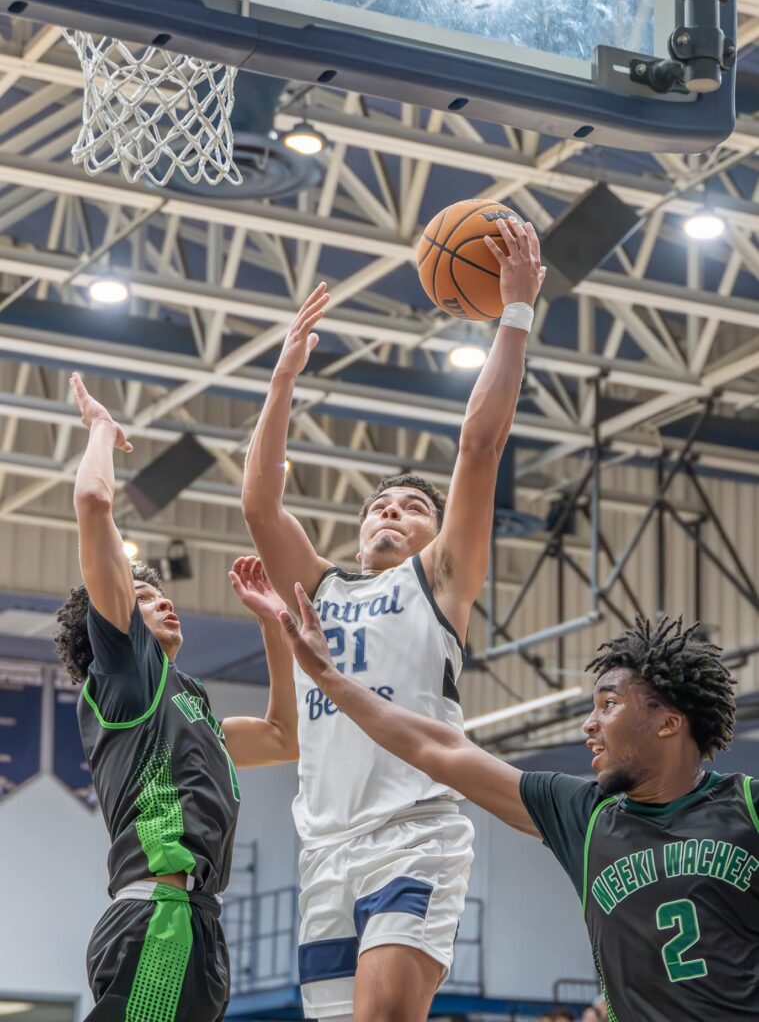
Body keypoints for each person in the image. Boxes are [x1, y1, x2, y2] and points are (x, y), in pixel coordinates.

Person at [242, 217, 545, 1021]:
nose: (390, 511)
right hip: (325, 851)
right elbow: (259, 503)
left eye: (412, 507)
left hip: (413, 830)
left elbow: (478, 447)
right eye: (379, 503)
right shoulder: (318, 589)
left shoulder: (440, 579)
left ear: (432, 533)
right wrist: (282, 381)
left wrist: (513, 312)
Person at [279, 597, 759, 1021]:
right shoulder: (584, 815)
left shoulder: (748, 807)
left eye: (608, 705)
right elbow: (442, 750)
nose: (589, 725)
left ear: (669, 724)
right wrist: (329, 677)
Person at [54, 374, 299, 1021]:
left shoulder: (186, 703)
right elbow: (92, 503)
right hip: (157, 916)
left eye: (163, 590)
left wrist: (274, 625)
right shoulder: (126, 678)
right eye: (142, 595)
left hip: (199, 923)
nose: (162, 597)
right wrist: (101, 430)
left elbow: (282, 737)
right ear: (110, 627)